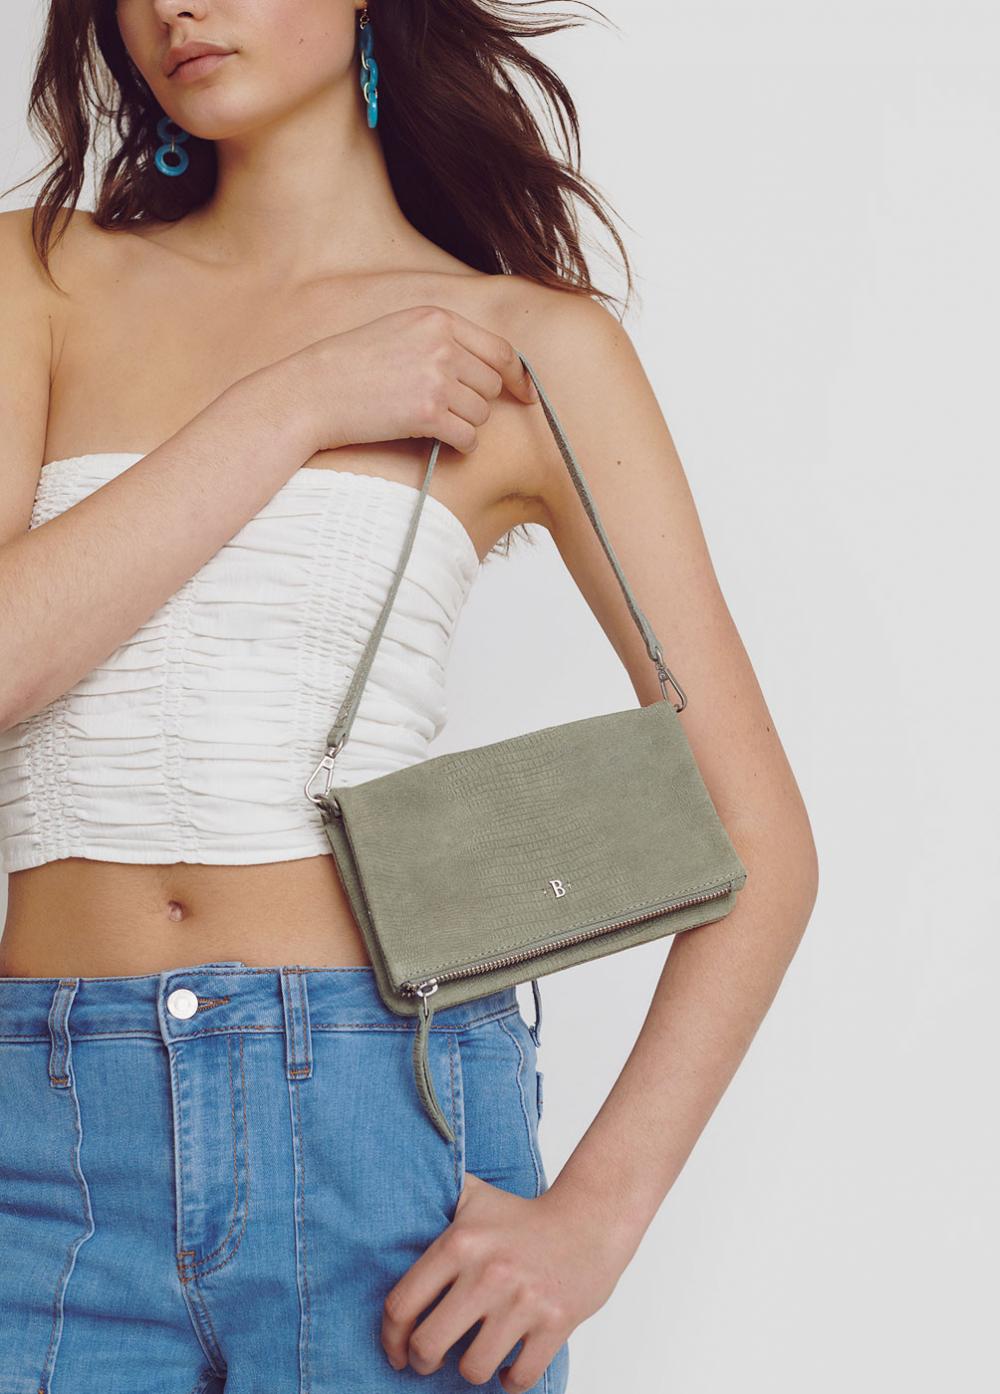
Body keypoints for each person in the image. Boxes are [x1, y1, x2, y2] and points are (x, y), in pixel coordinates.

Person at [0, 0, 819, 1390]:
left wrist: (595, 1222)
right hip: (51, 1142)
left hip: (381, 1127)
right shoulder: (44, 277)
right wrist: (299, 402)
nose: (172, 7)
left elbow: (762, 838)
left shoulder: (528, 348)